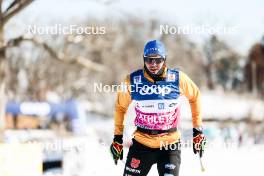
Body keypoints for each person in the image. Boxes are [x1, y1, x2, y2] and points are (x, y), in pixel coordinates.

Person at [110, 40, 206, 176]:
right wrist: (117, 138)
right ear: (144, 59)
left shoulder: (178, 79)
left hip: (169, 144)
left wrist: (198, 130)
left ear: (164, 59)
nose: (153, 64)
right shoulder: (132, 81)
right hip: (142, 144)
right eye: (149, 60)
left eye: (158, 60)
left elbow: (195, 97)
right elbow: (120, 107)